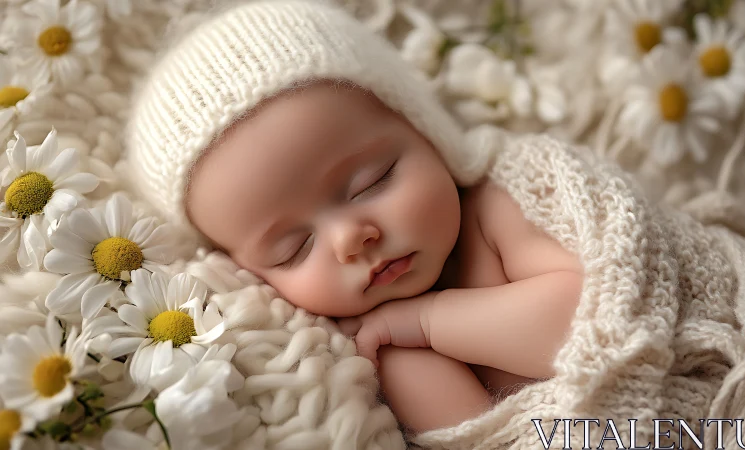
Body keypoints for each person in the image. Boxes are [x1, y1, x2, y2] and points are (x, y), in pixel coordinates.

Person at [125, 0, 582, 434]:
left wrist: (428, 322)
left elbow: (594, 322)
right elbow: (484, 437)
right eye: (293, 249)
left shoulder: (504, 202)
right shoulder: (382, 345)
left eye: (372, 181)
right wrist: (409, 338)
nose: (350, 239)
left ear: (425, 129)